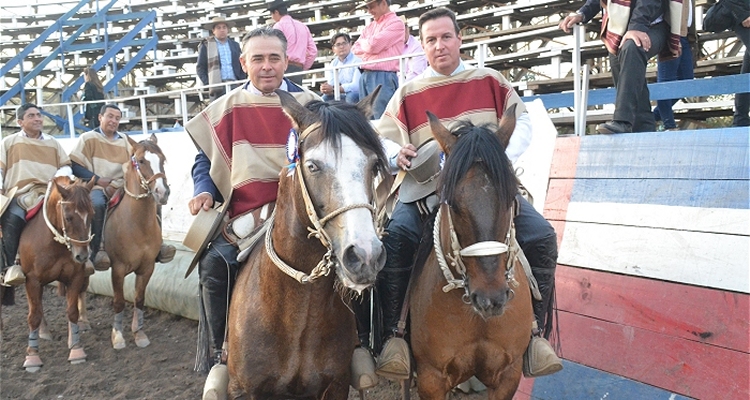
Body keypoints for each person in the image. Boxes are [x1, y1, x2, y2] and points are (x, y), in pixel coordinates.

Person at [357, 7, 563, 381]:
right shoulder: (408, 92)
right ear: (422, 46)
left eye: (446, 37)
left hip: (487, 192)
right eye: (431, 40)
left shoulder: (490, 79)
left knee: (542, 237)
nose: (439, 46)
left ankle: (535, 336)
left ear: (460, 38)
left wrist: (494, 162)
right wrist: (395, 153)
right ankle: (394, 339)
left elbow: (523, 123)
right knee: (397, 239)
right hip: (425, 191)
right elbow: (383, 137)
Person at [184, 26, 320, 392]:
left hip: (306, 215)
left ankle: (358, 346)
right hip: (248, 217)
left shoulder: (312, 105)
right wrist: (204, 191)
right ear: (243, 63)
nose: (266, 66)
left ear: (287, 60)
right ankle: (220, 355)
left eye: (274, 58)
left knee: (352, 259)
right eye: (257, 59)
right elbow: (205, 162)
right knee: (215, 265)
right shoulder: (224, 109)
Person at [68, 104, 176, 272]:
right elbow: (74, 164)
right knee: (97, 204)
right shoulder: (88, 138)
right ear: (100, 117)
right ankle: (98, 250)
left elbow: (137, 163)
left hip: (121, 185)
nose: (113, 121)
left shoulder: (125, 141)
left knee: (153, 200)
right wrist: (96, 179)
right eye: (110, 116)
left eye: (117, 118)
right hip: (96, 186)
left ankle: (159, 245)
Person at [559, 0, 688, 134]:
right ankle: (644, 130)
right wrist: (582, 13)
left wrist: (637, 27)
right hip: (621, 27)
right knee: (622, 65)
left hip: (654, 22)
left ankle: (622, 121)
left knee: (633, 47)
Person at [1, 104, 74, 286]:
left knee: (77, 213)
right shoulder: (8, 142)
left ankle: (81, 258)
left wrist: (57, 180)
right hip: (21, 193)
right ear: (20, 122)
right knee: (13, 217)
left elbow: (65, 166)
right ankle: (11, 266)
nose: (38, 119)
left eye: (39, 115)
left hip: (50, 192)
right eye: (31, 116)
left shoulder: (53, 142)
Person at [351, 0, 405, 119]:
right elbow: (355, 48)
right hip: (366, 75)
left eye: (372, 6)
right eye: (368, 7)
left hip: (383, 76)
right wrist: (369, 44)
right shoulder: (371, 26)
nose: (369, 11)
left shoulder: (396, 23)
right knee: (365, 119)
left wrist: (365, 43)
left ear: (384, 3)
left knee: (382, 119)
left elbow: (373, 46)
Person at [654, 0, 695, 131]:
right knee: (666, 82)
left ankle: (651, 116)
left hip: (684, 35)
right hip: (670, 33)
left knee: (687, 83)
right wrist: (672, 35)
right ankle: (669, 124)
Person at [267, 0, 318, 86]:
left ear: (276, 12)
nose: (272, 17)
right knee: (295, 95)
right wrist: (303, 67)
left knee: (281, 95)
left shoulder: (278, 26)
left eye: (271, 14)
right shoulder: (303, 26)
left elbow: (274, 48)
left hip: (283, 66)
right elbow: (313, 51)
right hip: (298, 67)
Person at [196, 16, 247, 101]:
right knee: (218, 112)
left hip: (235, 84)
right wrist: (209, 84)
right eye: (218, 28)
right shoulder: (206, 46)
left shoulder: (235, 45)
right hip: (217, 86)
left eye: (224, 27)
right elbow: (200, 67)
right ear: (213, 30)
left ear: (227, 29)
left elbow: (241, 63)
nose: (222, 30)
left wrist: (241, 81)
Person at [726, 0, 750, 126]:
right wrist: (742, 14)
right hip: (744, 13)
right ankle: (740, 120)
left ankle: (740, 120)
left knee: (747, 72)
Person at [320, 32, 362, 103]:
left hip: (357, 95)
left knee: (351, 96)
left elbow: (356, 86)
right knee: (324, 99)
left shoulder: (357, 61)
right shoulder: (333, 64)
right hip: (341, 94)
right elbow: (331, 84)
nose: (341, 47)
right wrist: (326, 89)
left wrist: (334, 89)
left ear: (350, 45)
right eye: (338, 45)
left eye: (344, 43)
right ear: (333, 49)